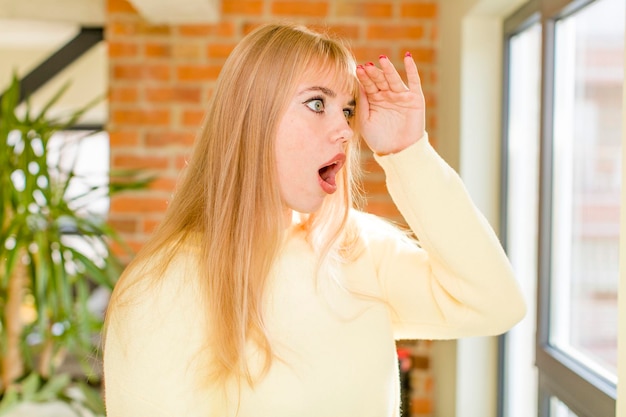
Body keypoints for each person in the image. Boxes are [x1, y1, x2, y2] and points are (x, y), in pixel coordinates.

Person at [103, 23, 525, 417]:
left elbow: (495, 305)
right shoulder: (162, 285)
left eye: (347, 110)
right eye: (317, 103)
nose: (346, 130)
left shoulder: (355, 247)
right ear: (252, 117)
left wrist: (407, 154)